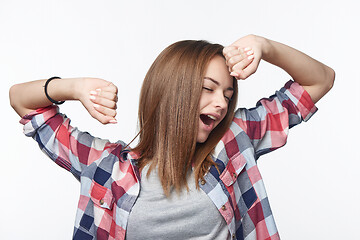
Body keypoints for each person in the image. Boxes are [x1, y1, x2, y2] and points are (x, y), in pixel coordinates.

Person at [9, 34, 334, 240]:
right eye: (208, 88)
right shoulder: (106, 167)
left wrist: (266, 46)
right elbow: (22, 101)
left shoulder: (232, 142)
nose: (221, 103)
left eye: (227, 92)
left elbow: (319, 81)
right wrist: (74, 87)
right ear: (171, 93)